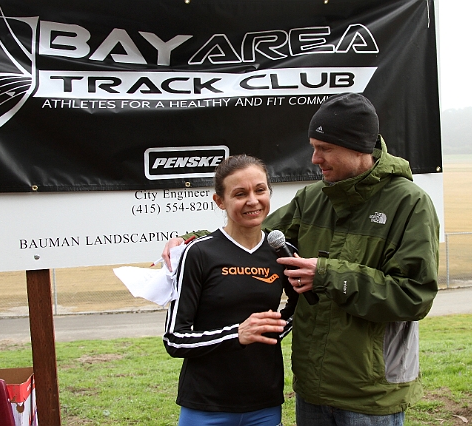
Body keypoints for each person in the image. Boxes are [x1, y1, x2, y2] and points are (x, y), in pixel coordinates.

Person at [163, 93, 440, 425]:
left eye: (324, 148)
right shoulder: (312, 199)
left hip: (371, 394)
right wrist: (191, 240)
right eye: (313, 146)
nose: (314, 158)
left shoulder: (410, 205)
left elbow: (414, 296)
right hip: (312, 390)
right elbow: (252, 232)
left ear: (358, 147)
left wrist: (328, 275)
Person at [163, 154, 298, 426]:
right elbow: (175, 339)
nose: (252, 200)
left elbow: (301, 307)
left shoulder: (282, 252)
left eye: (260, 190)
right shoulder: (198, 253)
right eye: (240, 194)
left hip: (264, 403)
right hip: (205, 404)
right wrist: (237, 334)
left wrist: (273, 329)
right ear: (220, 201)